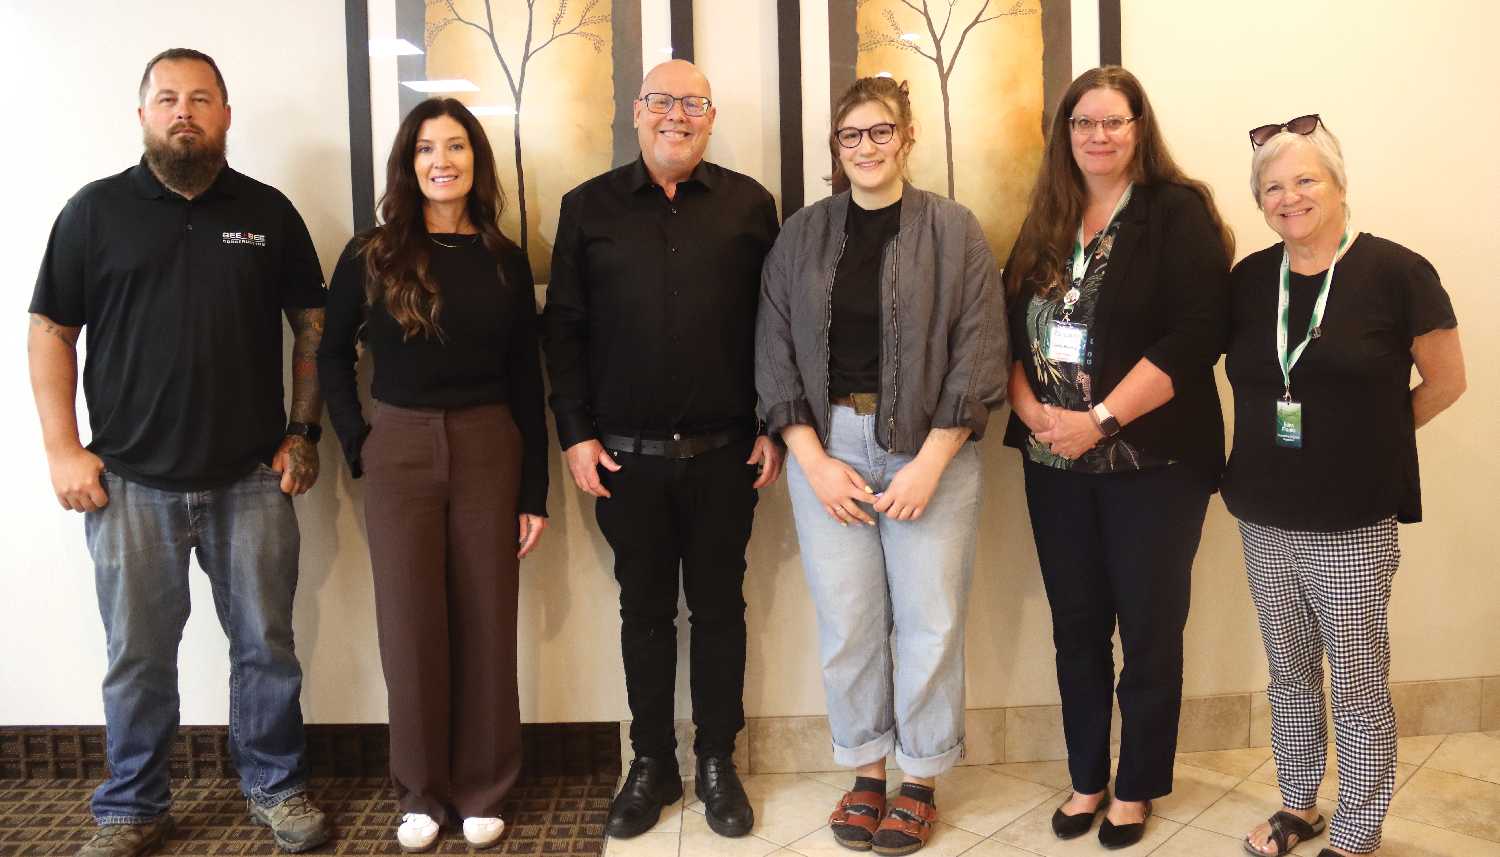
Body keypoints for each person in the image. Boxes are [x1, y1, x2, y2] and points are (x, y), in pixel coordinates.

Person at [27, 49, 331, 857]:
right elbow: (51, 331)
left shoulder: (267, 212)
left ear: (226, 115)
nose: (183, 111)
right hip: (127, 483)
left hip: (251, 479)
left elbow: (313, 327)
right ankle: (132, 804)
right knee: (137, 656)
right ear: (143, 116)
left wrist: (303, 434)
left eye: (201, 98)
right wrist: (63, 449)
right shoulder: (93, 213)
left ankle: (276, 784)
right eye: (167, 98)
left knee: (267, 646)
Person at [756, 76, 1006, 856]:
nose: (866, 147)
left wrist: (932, 460)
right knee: (849, 622)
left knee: (930, 622)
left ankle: (921, 780)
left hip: (932, 446)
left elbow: (980, 346)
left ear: (907, 136)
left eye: (879, 132)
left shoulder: (954, 230)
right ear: (836, 148)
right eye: (850, 136)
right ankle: (867, 772)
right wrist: (813, 459)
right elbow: (774, 351)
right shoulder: (801, 234)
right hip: (827, 448)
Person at [542, 59, 782, 840]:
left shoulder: (750, 206)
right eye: (661, 102)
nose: (676, 115)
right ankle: (652, 760)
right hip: (624, 460)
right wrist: (574, 433)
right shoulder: (588, 209)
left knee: (719, 609)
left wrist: (777, 425)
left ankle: (717, 757)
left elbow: (775, 331)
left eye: (692, 103)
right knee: (643, 611)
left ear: (710, 118)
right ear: (637, 114)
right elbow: (565, 332)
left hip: (727, 456)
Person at [1001, 66, 1233, 849]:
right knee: (1076, 628)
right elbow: (1009, 325)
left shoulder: (1178, 212)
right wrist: (1034, 412)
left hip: (1153, 465)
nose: (1098, 136)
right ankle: (1086, 778)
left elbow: (1198, 334)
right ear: (1064, 133)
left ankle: (1134, 788)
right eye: (1083, 123)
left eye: (1114, 121)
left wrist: (1097, 419)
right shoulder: (1048, 216)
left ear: (1140, 128)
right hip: (1053, 465)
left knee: (1149, 627)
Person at [1228, 117, 1465, 857]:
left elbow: (1447, 381)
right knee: (1289, 673)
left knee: (1358, 684)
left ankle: (1358, 829)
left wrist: (1374, 443)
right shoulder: (1249, 280)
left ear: (1338, 184)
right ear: (1260, 202)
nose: (1289, 196)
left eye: (1306, 179)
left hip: (1352, 521)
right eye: (1273, 186)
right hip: (1263, 514)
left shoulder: (1397, 272)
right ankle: (1298, 805)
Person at [316, 98, 548, 852]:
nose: (440, 160)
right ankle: (420, 791)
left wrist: (533, 492)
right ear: (407, 164)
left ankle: (483, 786)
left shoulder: (503, 259)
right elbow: (329, 356)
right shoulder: (371, 253)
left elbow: (526, 377)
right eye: (425, 148)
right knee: (408, 624)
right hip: (400, 447)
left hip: (490, 445)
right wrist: (360, 444)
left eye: (455, 146)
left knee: (487, 618)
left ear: (476, 161)